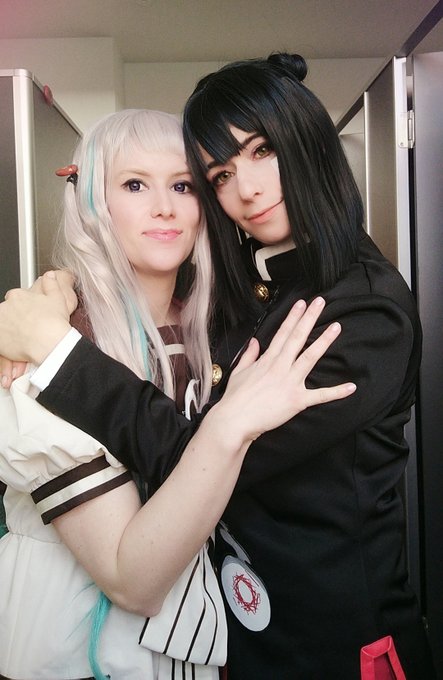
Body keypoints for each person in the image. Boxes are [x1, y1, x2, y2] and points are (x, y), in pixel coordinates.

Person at [0, 52, 434, 678]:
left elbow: (200, 461)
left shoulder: (363, 313)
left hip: (331, 643)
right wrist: (60, 290)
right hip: (232, 640)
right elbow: (135, 278)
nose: (246, 190)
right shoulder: (241, 292)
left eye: (262, 151)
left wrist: (58, 352)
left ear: (309, 140)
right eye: (221, 174)